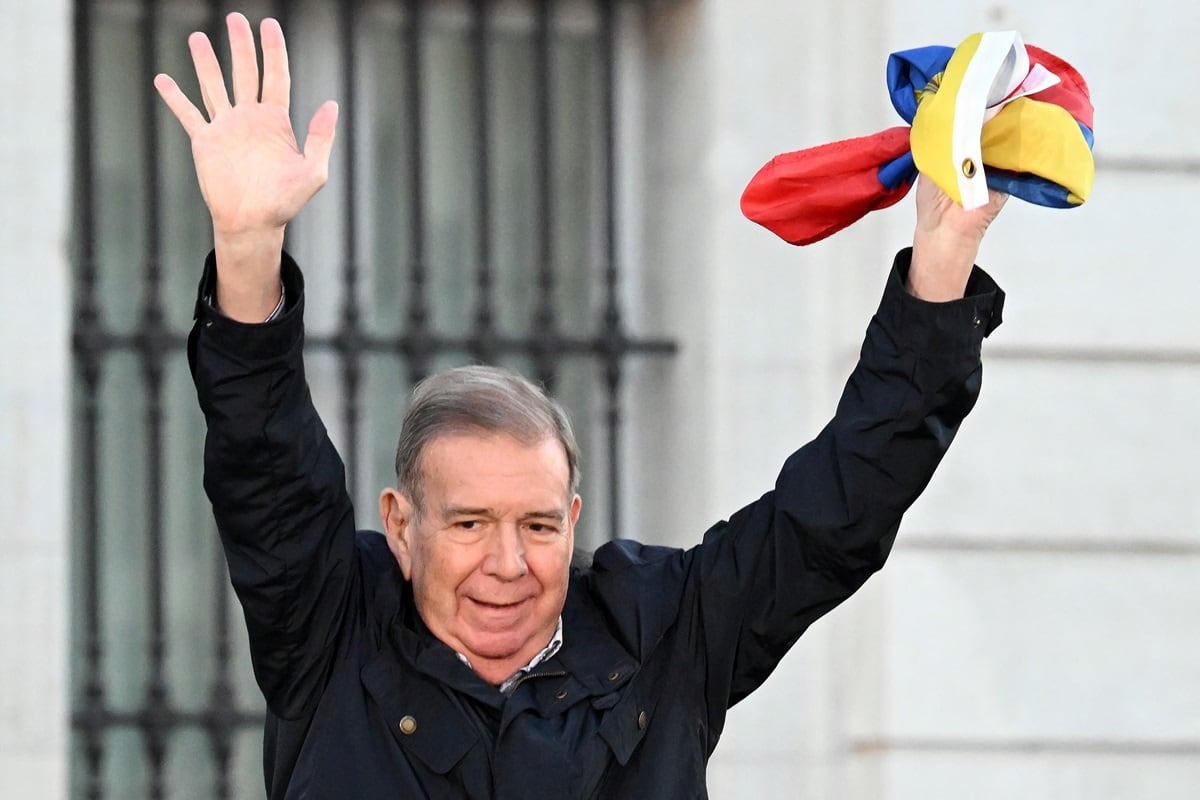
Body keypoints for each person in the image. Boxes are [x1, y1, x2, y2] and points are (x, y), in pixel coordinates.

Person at [155, 12, 1007, 800]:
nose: (507, 564)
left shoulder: (662, 631)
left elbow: (836, 513)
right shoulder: (331, 627)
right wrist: (248, 247)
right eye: (468, 523)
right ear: (401, 527)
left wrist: (942, 262)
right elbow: (265, 461)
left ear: (572, 520)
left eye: (536, 525)